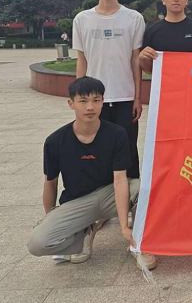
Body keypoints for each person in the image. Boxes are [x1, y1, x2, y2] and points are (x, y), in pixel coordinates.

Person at [27, 77, 156, 270]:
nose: (90, 107)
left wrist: (124, 226)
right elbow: (50, 183)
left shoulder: (117, 134)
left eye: (96, 100)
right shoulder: (55, 141)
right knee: (37, 243)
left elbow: (120, 180)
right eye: (83, 101)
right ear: (71, 103)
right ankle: (83, 233)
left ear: (102, 102)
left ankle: (140, 243)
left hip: (109, 195)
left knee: (143, 188)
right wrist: (52, 218)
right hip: (77, 202)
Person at [72, 0, 145, 182]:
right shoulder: (82, 19)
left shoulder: (133, 18)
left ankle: (132, 197)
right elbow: (82, 60)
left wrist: (137, 98)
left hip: (125, 96)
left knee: (128, 148)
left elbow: (136, 59)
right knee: (96, 148)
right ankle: (101, 198)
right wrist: (80, 98)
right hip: (95, 99)